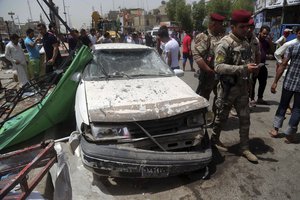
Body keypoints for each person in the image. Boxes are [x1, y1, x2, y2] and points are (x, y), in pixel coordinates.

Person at [212, 10, 260, 162]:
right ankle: (213, 142)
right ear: (232, 27)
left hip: (243, 88)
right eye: (242, 27)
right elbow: (218, 67)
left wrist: (251, 70)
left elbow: (246, 62)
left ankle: (244, 148)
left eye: (247, 26)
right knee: (221, 118)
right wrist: (243, 69)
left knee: (245, 119)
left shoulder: (245, 42)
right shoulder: (224, 43)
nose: (246, 29)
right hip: (227, 89)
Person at [269, 26, 300, 143]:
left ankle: (276, 130)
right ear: (297, 33)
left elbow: (283, 64)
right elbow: (283, 64)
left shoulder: (292, 46)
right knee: (296, 109)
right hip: (290, 82)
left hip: (290, 82)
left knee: (284, 105)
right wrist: (275, 81)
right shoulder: (291, 46)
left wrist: (275, 82)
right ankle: (289, 134)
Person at [192, 13, 225, 114]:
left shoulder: (221, 37)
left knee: (220, 96)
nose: (222, 26)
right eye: (221, 24)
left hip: (220, 72)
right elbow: (197, 56)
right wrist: (209, 70)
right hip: (208, 74)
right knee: (203, 97)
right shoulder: (203, 37)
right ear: (214, 24)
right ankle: (201, 117)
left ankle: (216, 115)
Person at [250, 25, 274, 105]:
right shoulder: (254, 40)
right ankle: (252, 98)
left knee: (263, 82)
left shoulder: (266, 42)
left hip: (262, 65)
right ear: (260, 32)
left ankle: (260, 98)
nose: (265, 35)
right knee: (252, 83)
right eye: (264, 33)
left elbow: (272, 52)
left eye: (267, 34)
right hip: (254, 65)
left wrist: (270, 43)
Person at [247, 18, 261, 107]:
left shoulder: (255, 40)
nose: (249, 29)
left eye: (251, 27)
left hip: (251, 69)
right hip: (239, 68)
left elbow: (258, 54)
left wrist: (257, 67)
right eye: (248, 27)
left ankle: (246, 104)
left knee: (249, 87)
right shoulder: (240, 37)